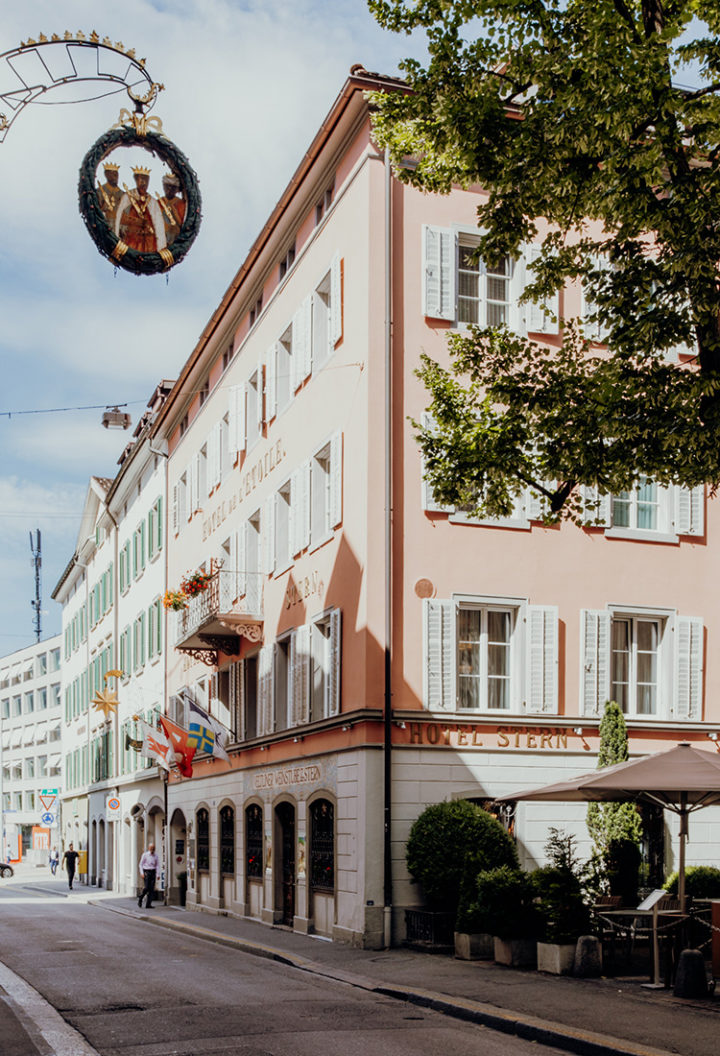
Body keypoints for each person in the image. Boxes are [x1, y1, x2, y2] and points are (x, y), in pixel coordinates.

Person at [115, 167, 166, 254]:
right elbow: (119, 217)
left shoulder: (152, 202)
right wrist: (116, 240)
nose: (144, 183)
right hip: (132, 240)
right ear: (136, 180)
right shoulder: (128, 197)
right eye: (141, 179)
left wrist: (162, 249)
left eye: (146, 180)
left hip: (149, 243)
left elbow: (159, 226)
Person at [157, 173, 186, 246]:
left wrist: (174, 212)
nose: (169, 190)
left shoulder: (181, 204)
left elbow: (183, 223)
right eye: (167, 186)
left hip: (174, 239)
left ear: (177, 189)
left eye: (173, 187)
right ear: (163, 187)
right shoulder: (157, 203)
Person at [96, 161, 123, 226]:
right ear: (107, 175)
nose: (115, 177)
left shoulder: (123, 194)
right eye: (113, 174)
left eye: (116, 174)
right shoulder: (99, 191)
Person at [138, 842, 160, 909]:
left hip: (153, 872)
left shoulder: (156, 856)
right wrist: (142, 873)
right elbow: (140, 864)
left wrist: (158, 874)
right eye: (151, 848)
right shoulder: (145, 855)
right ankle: (141, 897)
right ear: (149, 848)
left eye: (153, 848)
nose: (152, 849)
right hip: (147, 872)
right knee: (147, 887)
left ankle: (148, 904)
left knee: (151, 889)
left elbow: (157, 865)